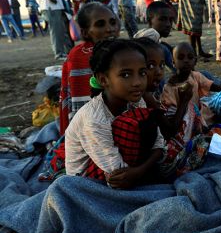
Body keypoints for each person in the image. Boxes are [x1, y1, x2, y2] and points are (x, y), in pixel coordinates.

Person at [64, 39, 164, 188]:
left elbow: (159, 142)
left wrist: (138, 172)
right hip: (86, 182)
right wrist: (144, 168)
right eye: (125, 75)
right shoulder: (95, 118)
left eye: (142, 73)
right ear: (103, 79)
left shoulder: (135, 101)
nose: (137, 82)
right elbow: (118, 174)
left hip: (131, 167)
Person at [161, 42, 221, 158]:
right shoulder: (170, 88)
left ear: (195, 61)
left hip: (203, 116)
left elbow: (211, 85)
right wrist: (184, 101)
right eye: (181, 57)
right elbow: (173, 119)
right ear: (173, 62)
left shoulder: (195, 76)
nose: (186, 61)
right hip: (186, 124)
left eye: (190, 57)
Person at [59, 2, 120, 136]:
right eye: (100, 24)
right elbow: (83, 110)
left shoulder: (118, 50)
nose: (110, 29)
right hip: (92, 130)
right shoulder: (80, 56)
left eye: (112, 22)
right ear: (85, 32)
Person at [134, 1, 175, 70]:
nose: (168, 24)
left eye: (170, 20)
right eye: (162, 19)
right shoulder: (152, 34)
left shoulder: (144, 33)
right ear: (149, 21)